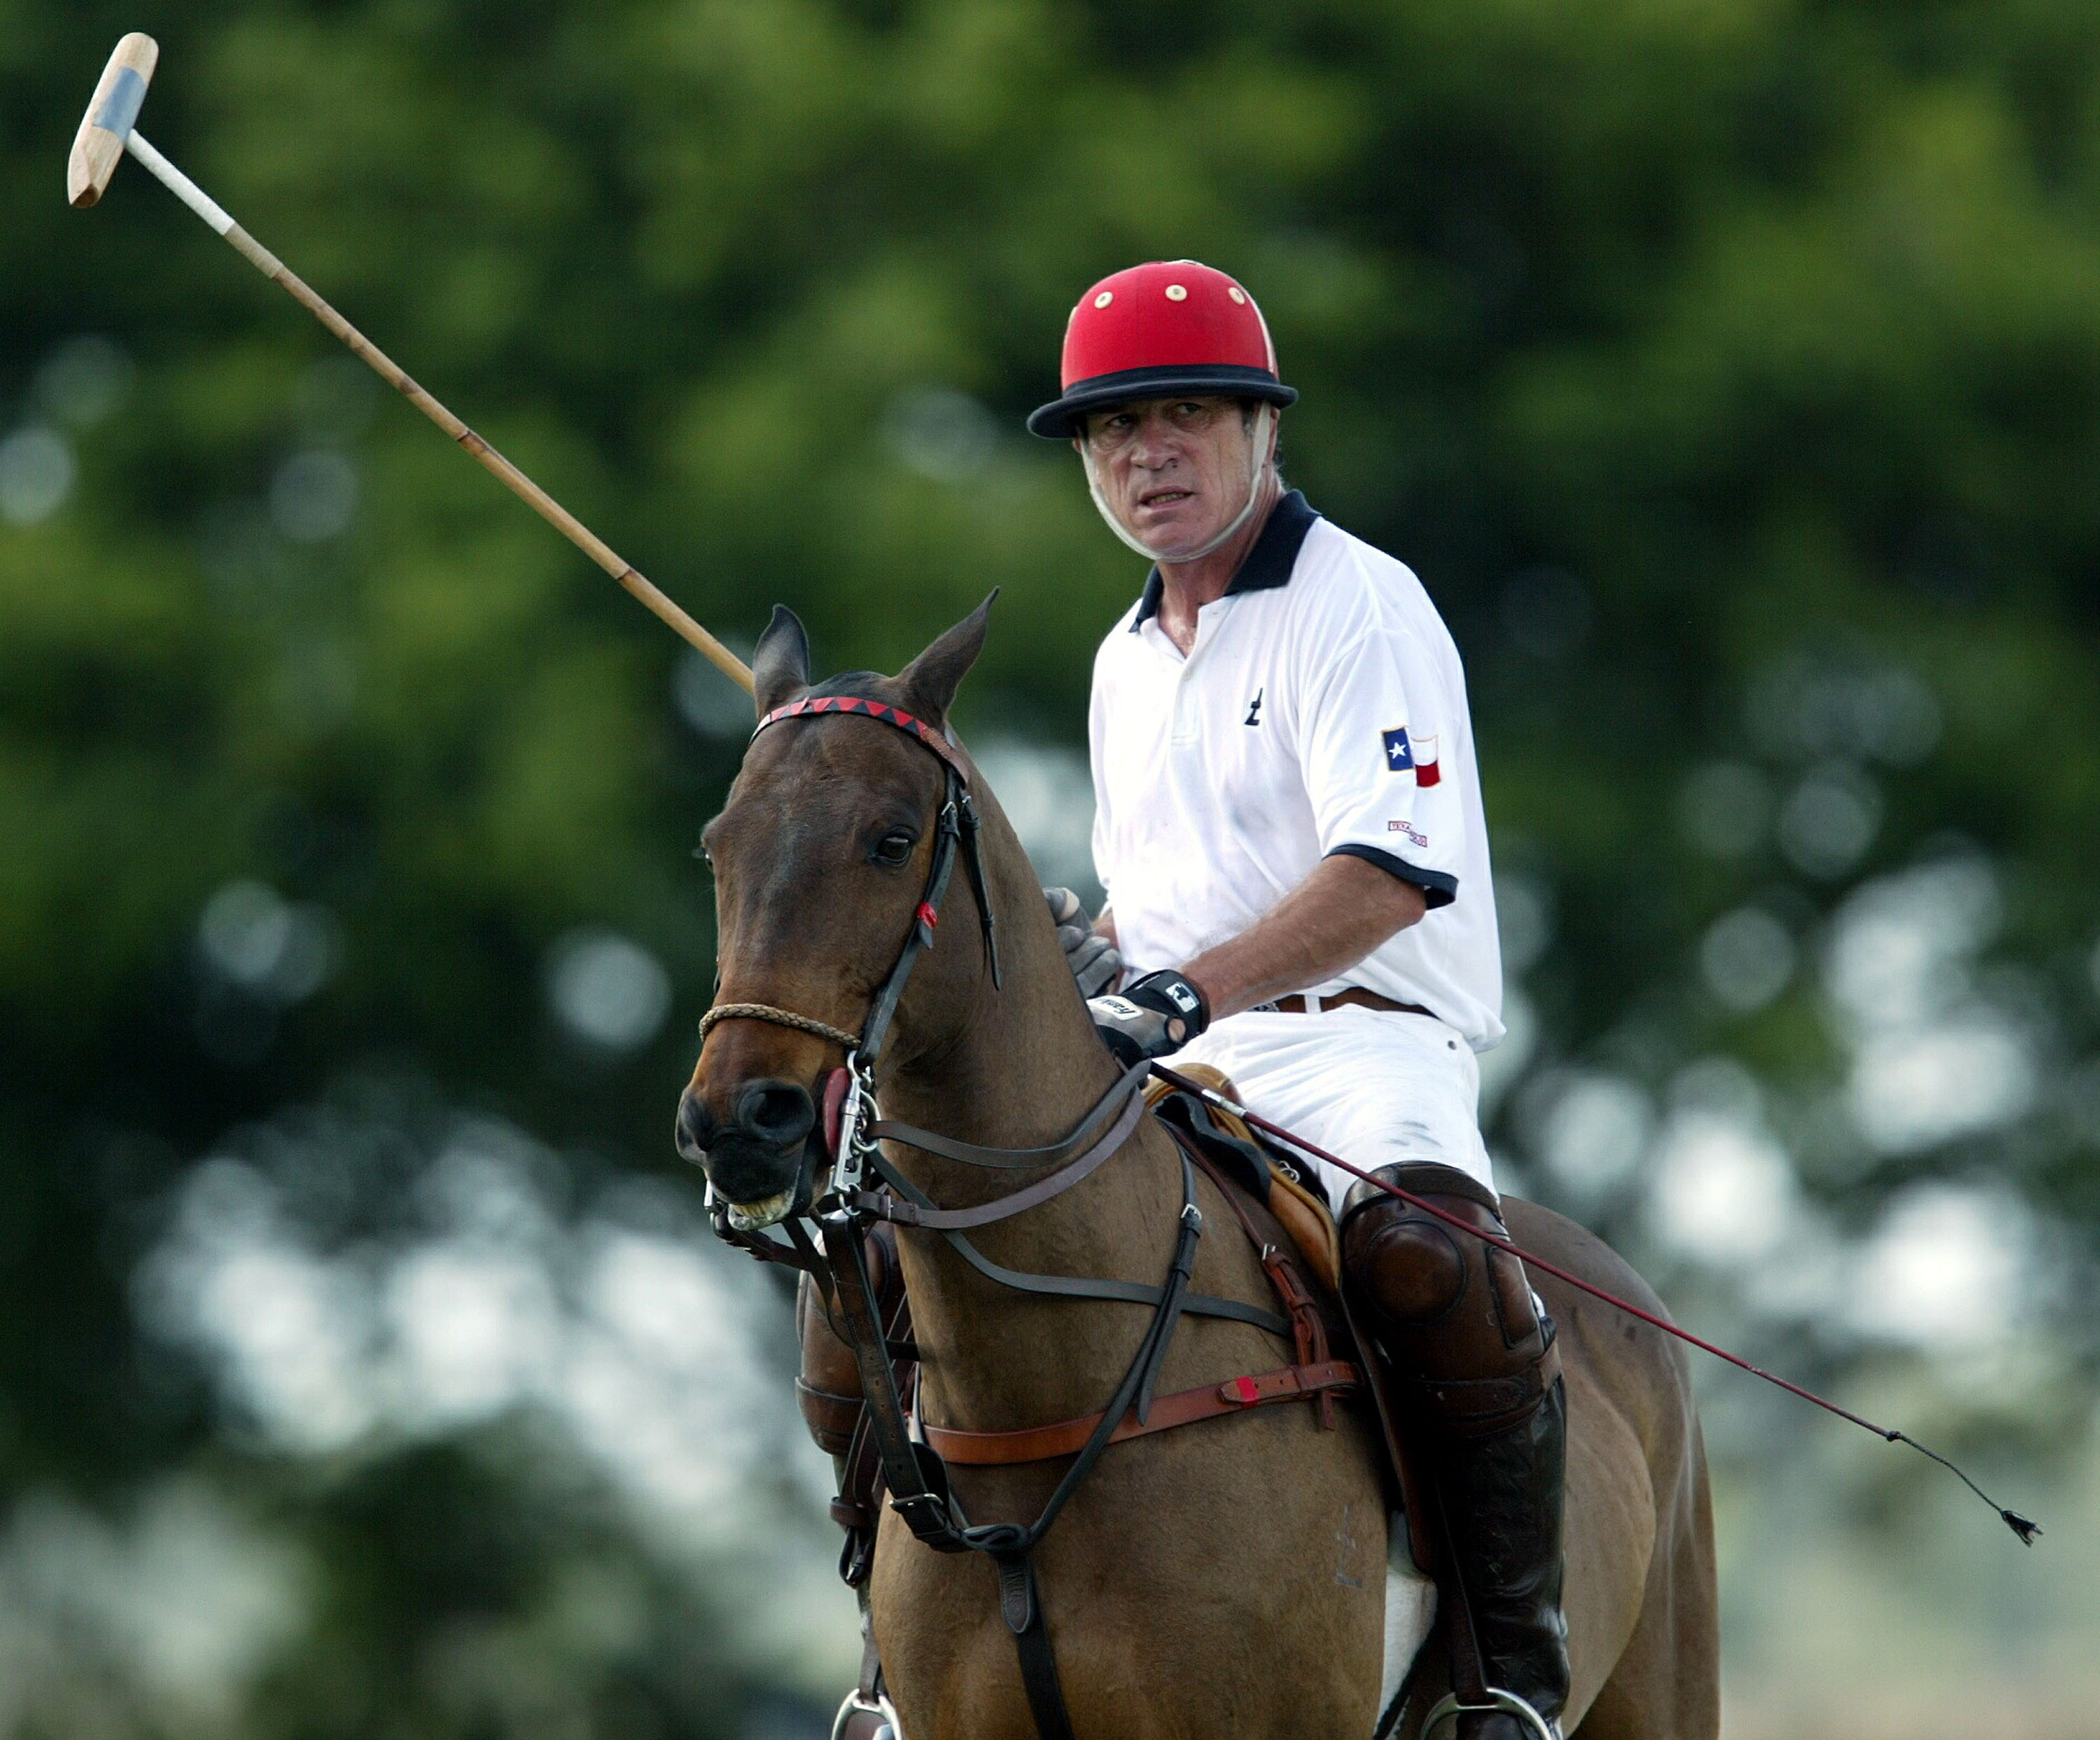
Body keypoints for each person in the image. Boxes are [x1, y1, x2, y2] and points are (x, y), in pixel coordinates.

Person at [1031, 260, 1568, 1740]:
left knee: (1424, 1259)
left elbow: (1388, 872)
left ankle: (1505, 1666)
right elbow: (1175, 896)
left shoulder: (1361, 605)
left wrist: (1183, 990)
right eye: (1111, 430)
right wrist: (1106, 951)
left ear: (1265, 428)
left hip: (1360, 1056)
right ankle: (908, 1659)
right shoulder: (1122, 661)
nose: (1147, 455)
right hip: (1182, 1061)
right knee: (935, 1239)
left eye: (1185, 414)